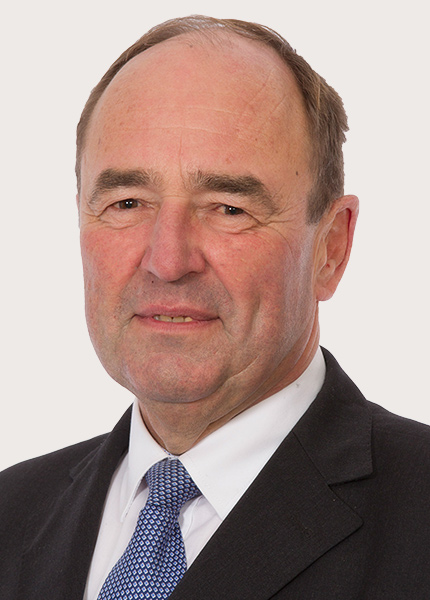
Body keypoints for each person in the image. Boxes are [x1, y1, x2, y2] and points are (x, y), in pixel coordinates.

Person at [1, 14, 429, 600]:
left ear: (331, 248)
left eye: (229, 208)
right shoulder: (11, 514)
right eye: (127, 202)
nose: (167, 260)